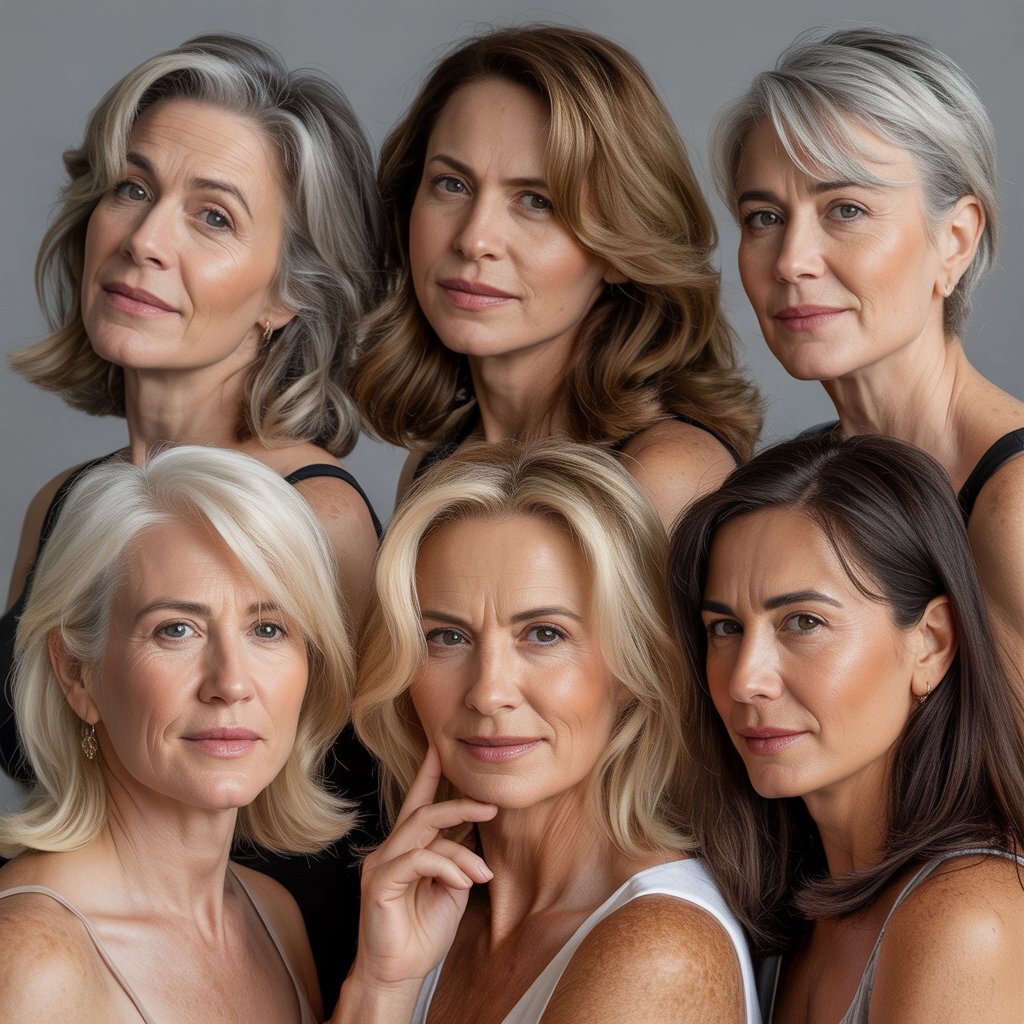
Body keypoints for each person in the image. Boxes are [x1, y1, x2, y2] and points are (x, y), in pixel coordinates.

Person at [0, 34, 383, 1005]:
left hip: (261, 969)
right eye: (133, 188)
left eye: (211, 216)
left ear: (285, 296)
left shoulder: (316, 518)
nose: (145, 239)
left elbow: (336, 821)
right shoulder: (64, 508)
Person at [347, 440, 760, 1024]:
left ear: (631, 665)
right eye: (447, 637)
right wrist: (381, 981)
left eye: (543, 635)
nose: (489, 691)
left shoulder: (660, 949)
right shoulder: (433, 921)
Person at [667, 434, 1024, 1023]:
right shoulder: (784, 908)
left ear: (931, 645)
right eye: (725, 628)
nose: (744, 681)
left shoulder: (968, 918)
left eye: (803, 622)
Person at [352, 25, 761, 530]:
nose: (474, 239)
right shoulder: (437, 461)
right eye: (451, 184)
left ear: (619, 249)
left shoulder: (665, 477)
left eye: (536, 201)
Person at [0, 446, 356, 1022]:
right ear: (77, 673)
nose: (230, 683)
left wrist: (388, 983)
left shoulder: (273, 916)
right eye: (177, 629)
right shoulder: (30, 961)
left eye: (268, 628)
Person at [709, 26, 1024, 671]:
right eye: (763, 218)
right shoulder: (790, 485)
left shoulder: (1015, 511)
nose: (792, 261)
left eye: (845, 209)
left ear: (955, 241)